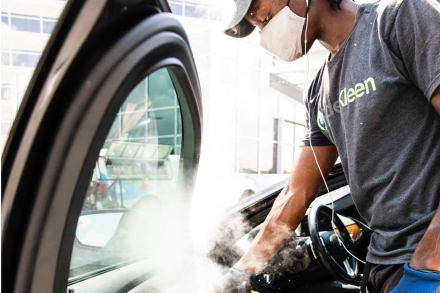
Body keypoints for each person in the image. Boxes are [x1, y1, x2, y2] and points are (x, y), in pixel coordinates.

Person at [221, 0, 440, 292]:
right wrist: (240, 272)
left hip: (427, 265)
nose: (261, 27)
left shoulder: (397, 21)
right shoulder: (318, 92)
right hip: (382, 263)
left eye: (261, 13)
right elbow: (296, 193)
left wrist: (428, 263)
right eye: (257, 25)